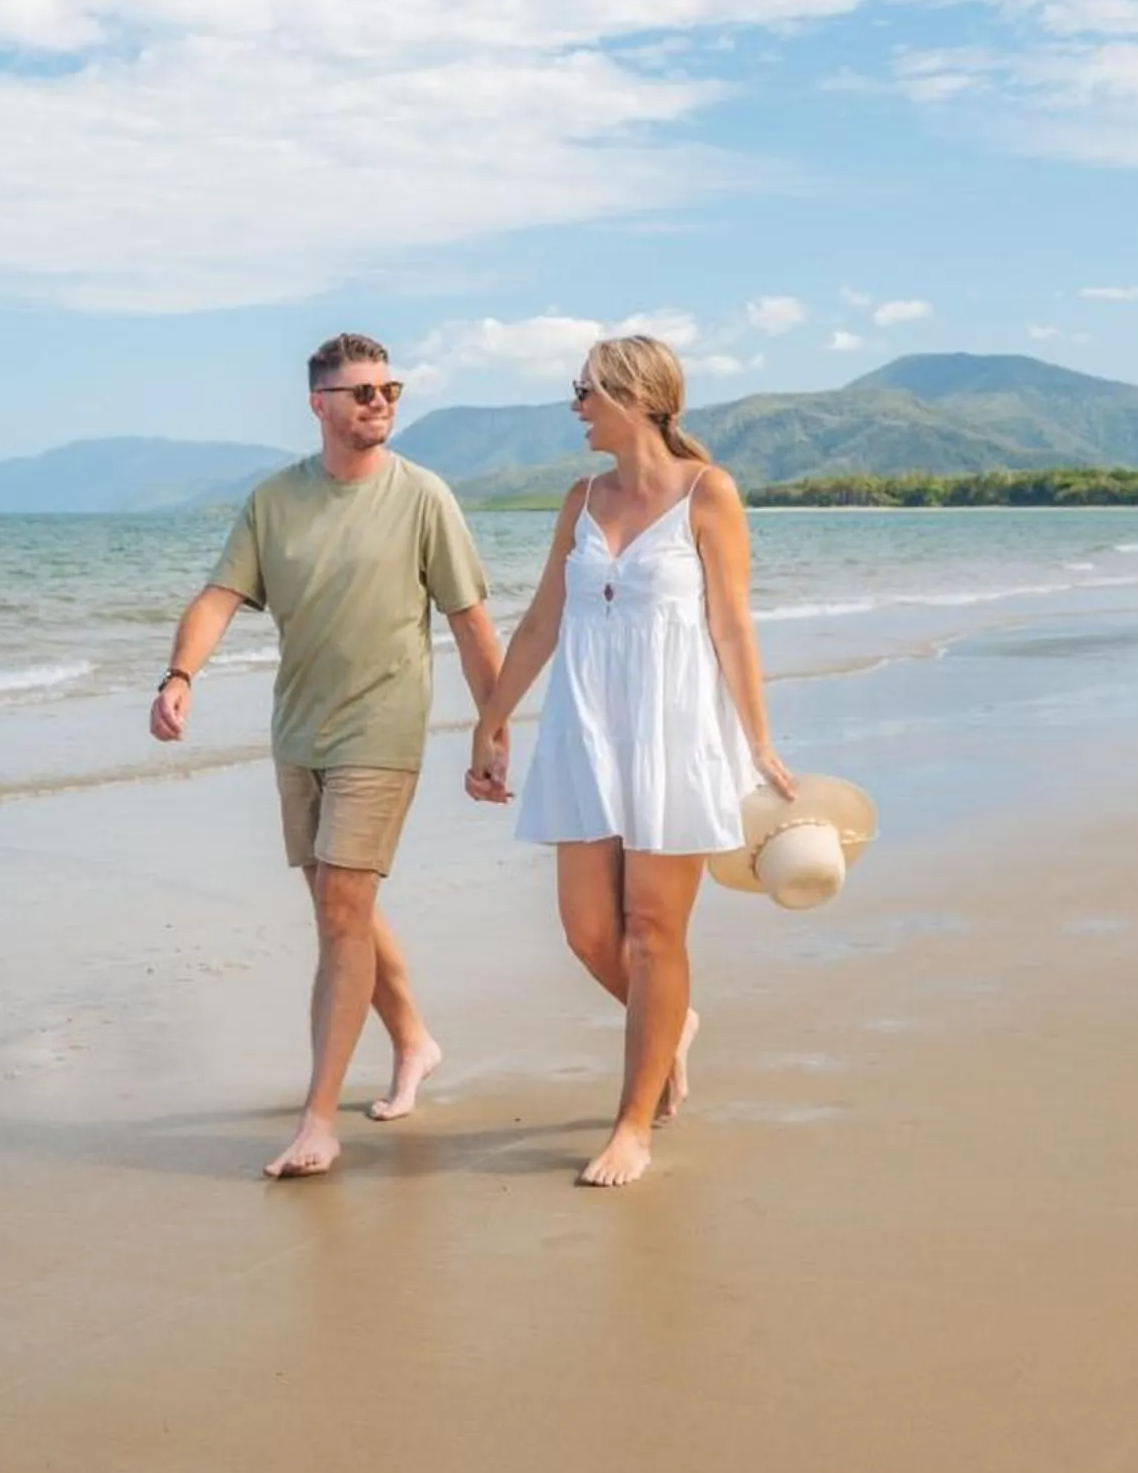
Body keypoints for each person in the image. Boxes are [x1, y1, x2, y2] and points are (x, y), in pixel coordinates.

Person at [152, 333, 506, 1180]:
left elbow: (469, 623)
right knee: (338, 905)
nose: (380, 403)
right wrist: (179, 676)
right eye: (362, 392)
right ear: (319, 404)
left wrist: (492, 729)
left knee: (342, 910)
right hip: (298, 733)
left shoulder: (424, 498)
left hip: (381, 730)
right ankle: (414, 1040)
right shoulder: (275, 501)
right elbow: (219, 596)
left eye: (389, 389)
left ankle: (319, 1118)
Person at [467, 334, 791, 1188]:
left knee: (653, 932)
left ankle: (632, 1126)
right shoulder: (580, 500)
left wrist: (758, 741)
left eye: (587, 390)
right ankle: (670, 1024)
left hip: (675, 733)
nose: (576, 406)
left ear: (638, 397)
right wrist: (491, 721)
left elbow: (732, 625)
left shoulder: (708, 493)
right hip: (586, 730)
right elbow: (542, 620)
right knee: (587, 932)